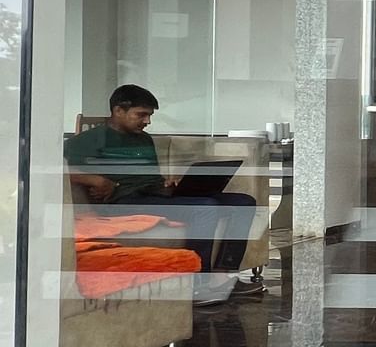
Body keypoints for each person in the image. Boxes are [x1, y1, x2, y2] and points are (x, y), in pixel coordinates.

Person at [66, 85, 261, 305]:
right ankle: (197, 284)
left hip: (152, 196)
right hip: (123, 202)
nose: (147, 121)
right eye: (141, 115)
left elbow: (150, 177)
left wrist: (167, 184)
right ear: (118, 110)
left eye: (149, 115)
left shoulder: (143, 139)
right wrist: (95, 180)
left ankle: (222, 276)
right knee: (205, 207)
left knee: (244, 202)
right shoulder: (91, 140)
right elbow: (55, 167)